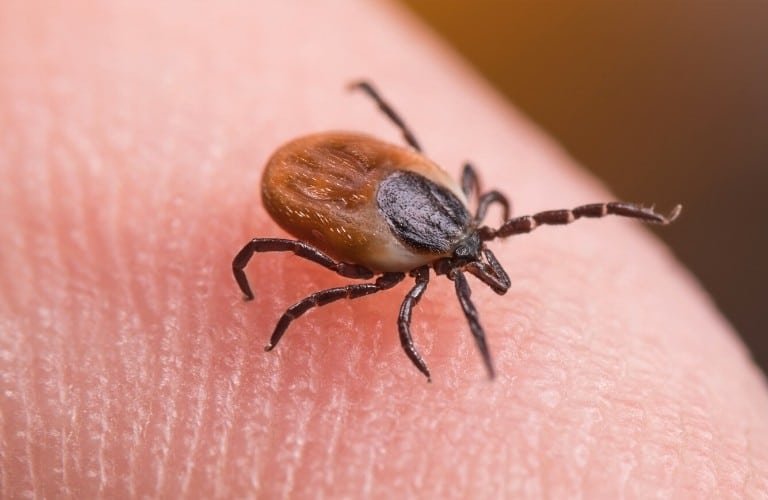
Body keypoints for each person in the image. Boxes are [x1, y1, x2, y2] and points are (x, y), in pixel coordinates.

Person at [2, 1, 766, 497]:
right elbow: (347, 286)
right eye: (470, 250)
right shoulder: (423, 252)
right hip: (316, 188)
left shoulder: (458, 215)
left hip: (359, 184)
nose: (479, 261)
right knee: (334, 286)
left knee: (365, 267)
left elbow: (449, 194)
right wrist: (285, 310)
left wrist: (459, 232)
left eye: (473, 245)